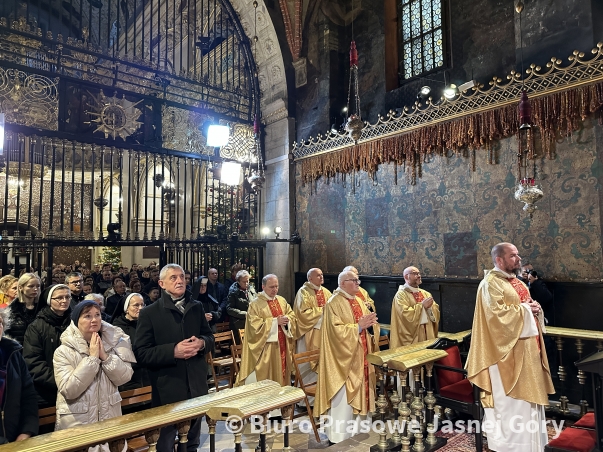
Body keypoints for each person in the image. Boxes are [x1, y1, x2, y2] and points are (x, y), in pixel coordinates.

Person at [466, 242, 555, 452]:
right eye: (513, 255)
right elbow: (496, 317)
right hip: (504, 355)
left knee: (529, 404)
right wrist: (525, 309)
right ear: (499, 260)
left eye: (517, 254)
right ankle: (511, 446)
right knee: (511, 405)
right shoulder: (490, 284)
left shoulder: (517, 282)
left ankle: (533, 445)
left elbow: (526, 304)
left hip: (528, 351)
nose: (518, 259)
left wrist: (535, 308)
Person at [134, 264, 214, 452]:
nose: (179, 281)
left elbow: (210, 337)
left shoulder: (196, 306)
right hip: (168, 388)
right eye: (173, 278)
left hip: (196, 384)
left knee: (192, 441)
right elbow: (141, 353)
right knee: (166, 443)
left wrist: (202, 343)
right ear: (161, 283)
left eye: (182, 277)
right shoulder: (149, 313)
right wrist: (173, 351)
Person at [53, 300, 134, 443]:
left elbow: (125, 377)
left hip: (110, 419)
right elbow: (69, 390)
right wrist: (92, 359)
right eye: (87, 316)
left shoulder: (112, 342)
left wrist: (106, 357)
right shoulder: (63, 351)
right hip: (78, 424)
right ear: (76, 321)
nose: (94, 319)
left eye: (97, 315)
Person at [315, 270, 378, 444]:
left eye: (358, 280)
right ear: (342, 283)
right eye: (354, 280)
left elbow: (369, 326)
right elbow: (334, 332)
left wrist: (371, 326)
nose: (358, 283)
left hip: (362, 356)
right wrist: (357, 327)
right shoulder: (333, 303)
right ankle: (339, 434)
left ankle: (360, 429)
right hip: (343, 361)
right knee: (343, 398)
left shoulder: (358, 300)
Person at [235, 274, 297, 390]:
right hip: (265, 350)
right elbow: (254, 328)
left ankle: (282, 404)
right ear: (263, 287)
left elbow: (292, 315)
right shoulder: (255, 305)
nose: (275, 290)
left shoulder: (282, 301)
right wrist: (274, 322)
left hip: (282, 345)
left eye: (276, 286)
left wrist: (287, 320)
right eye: (271, 287)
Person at [23, 284, 73, 408]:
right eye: (59, 298)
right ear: (48, 300)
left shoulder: (75, 322)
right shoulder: (36, 327)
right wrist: (62, 382)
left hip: (74, 389)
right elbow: (34, 363)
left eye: (68, 297)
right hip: (46, 393)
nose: (64, 301)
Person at [0, 306, 39, 443]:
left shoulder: (13, 354)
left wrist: (27, 431)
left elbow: (28, 395)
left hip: (16, 440)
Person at [293, 268, 332, 402]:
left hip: (324, 334)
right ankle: (306, 401)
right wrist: (323, 310)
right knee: (307, 365)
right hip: (308, 333)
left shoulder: (326, 292)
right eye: (318, 275)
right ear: (310, 278)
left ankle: (322, 398)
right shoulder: (303, 292)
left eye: (322, 274)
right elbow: (302, 314)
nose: (321, 277)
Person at [389, 266, 439, 348]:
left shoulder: (425, 293)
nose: (419, 276)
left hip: (428, 331)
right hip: (413, 335)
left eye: (419, 273)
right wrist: (422, 306)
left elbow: (435, 311)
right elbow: (404, 314)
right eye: (415, 274)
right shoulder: (401, 295)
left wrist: (430, 308)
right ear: (406, 277)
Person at [111, 293, 150, 393]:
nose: (141, 308)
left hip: (147, 376)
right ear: (126, 308)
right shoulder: (116, 328)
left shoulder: (147, 324)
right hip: (128, 380)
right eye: (136, 305)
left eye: (143, 305)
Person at [6, 273, 42, 344]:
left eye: (38, 286)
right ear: (20, 287)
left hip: (38, 351)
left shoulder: (43, 309)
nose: (35, 289)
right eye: (31, 286)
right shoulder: (11, 310)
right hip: (19, 350)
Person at [226, 270, 257, 342]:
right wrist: (244, 314)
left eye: (247, 281)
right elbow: (229, 308)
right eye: (244, 282)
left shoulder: (251, 289)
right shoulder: (233, 292)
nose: (246, 283)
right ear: (238, 281)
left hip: (251, 322)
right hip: (238, 324)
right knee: (240, 346)